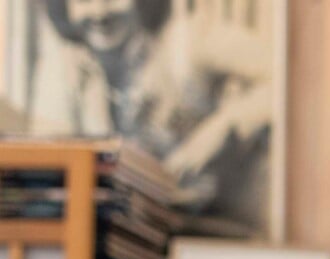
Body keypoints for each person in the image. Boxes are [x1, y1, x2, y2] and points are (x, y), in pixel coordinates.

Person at [29, 0, 277, 231]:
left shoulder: (187, 39)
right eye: (83, 0)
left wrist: (222, 128)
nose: (99, 13)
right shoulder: (64, 70)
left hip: (211, 231)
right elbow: (47, 169)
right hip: (126, 240)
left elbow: (287, 76)